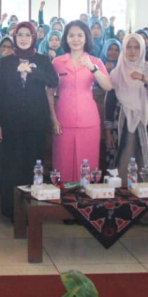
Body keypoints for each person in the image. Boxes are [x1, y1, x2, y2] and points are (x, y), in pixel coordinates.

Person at [0, 21, 58, 220]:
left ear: (33, 37)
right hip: (11, 123)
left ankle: (32, 211)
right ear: (14, 37)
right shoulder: (6, 62)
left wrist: (33, 71)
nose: (23, 38)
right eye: (19, 35)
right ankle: (11, 211)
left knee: (33, 167)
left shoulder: (42, 60)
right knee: (12, 167)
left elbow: (53, 81)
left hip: (35, 123)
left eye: (27, 35)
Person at [52, 21, 112, 181]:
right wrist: (53, 118)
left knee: (87, 166)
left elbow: (108, 86)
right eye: (71, 35)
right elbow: (49, 92)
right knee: (63, 165)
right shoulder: (57, 62)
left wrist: (92, 68)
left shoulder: (95, 61)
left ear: (86, 38)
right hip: (63, 120)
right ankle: (63, 196)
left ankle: (87, 197)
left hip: (88, 121)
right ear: (66, 39)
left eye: (80, 35)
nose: (75, 39)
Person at [104, 33, 148, 184]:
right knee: (124, 160)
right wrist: (108, 132)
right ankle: (124, 195)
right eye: (129, 47)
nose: (132, 51)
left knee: (146, 161)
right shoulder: (117, 72)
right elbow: (109, 103)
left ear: (142, 49)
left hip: (147, 124)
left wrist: (145, 80)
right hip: (123, 124)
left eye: (136, 47)